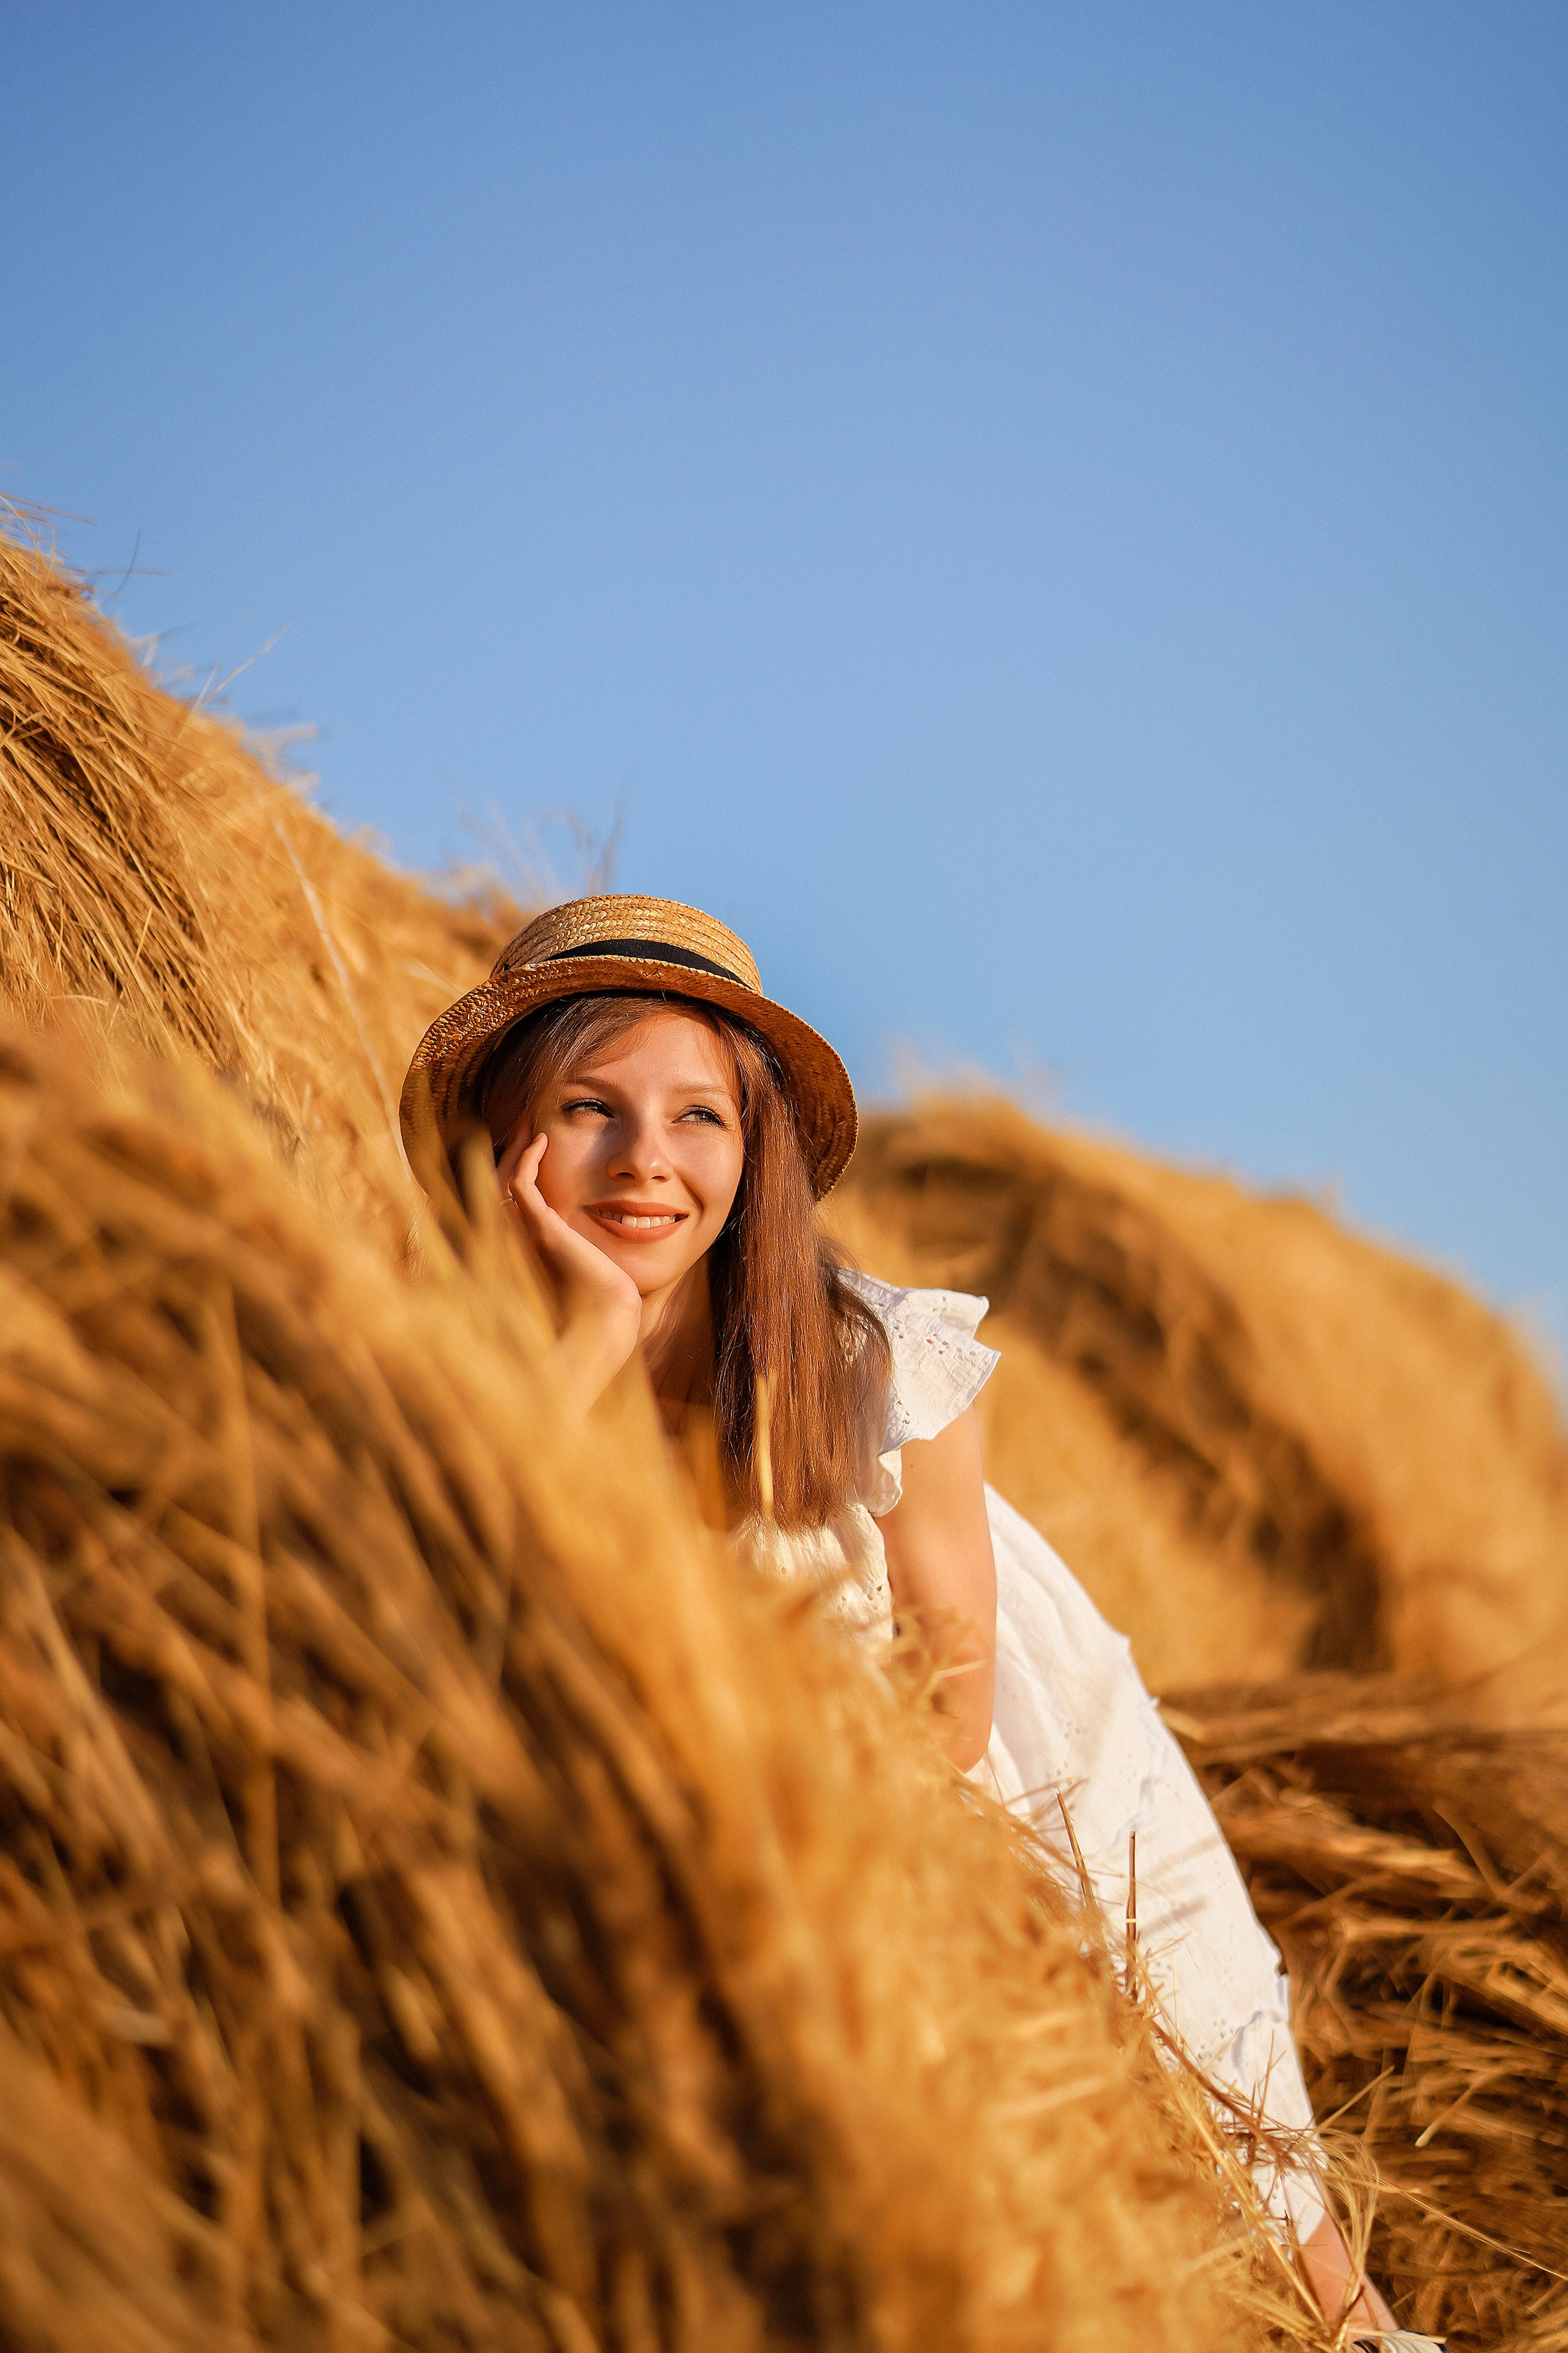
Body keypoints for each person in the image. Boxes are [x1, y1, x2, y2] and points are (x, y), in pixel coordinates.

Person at [402, 892, 1404, 2342]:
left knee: (1213, 2104)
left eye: (699, 1120)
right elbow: (444, 1610)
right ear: (505, 1143)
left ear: (756, 1159)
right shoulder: (438, 1365)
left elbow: (953, 1711)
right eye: (588, 1109)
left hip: (980, 1796)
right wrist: (586, 1344)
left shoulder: (878, 1369)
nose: (646, 1164)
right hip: (657, 1822)